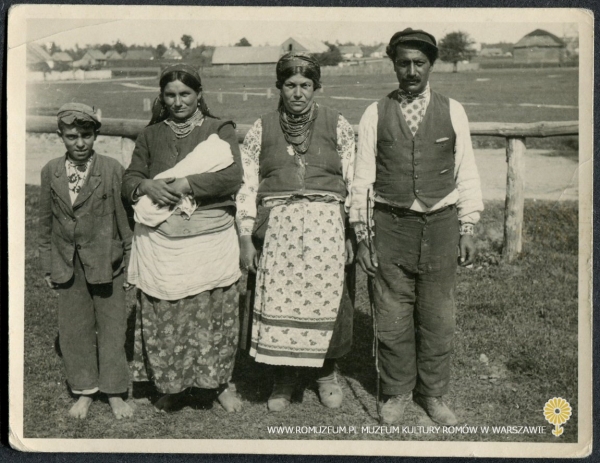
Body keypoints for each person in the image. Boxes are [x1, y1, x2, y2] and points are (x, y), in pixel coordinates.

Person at [350, 29, 484, 425]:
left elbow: (468, 173)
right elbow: (361, 182)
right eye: (403, 63)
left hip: (441, 225)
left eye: (419, 63)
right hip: (390, 226)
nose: (411, 71)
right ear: (393, 64)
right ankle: (395, 392)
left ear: (431, 65)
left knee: (438, 317)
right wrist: (362, 236)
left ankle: (434, 393)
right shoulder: (374, 113)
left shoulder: (453, 109)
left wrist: (469, 227)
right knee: (391, 315)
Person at [236, 52, 356, 412]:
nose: (298, 93)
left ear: (316, 87)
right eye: (290, 85)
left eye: (306, 85)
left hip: (328, 228)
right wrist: (245, 236)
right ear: (279, 87)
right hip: (278, 228)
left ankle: (325, 373)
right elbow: (246, 185)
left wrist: (353, 232)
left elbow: (356, 180)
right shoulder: (261, 128)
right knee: (279, 298)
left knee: (331, 302)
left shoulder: (338, 124)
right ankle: (285, 376)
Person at [122, 64, 243, 413]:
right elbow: (130, 177)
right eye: (170, 95)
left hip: (209, 238)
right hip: (164, 243)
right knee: (169, 312)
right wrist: (145, 185)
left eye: (185, 94)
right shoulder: (151, 135)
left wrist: (186, 184)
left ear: (199, 94)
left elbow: (233, 177)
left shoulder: (219, 129)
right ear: (162, 97)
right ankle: (172, 385)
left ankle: (218, 384)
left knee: (212, 310)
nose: (177, 101)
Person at [39, 103, 133, 420]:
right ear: (60, 136)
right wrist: (49, 263)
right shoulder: (50, 171)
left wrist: (131, 261)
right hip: (68, 263)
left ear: (96, 135)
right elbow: (45, 224)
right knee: (75, 331)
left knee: (112, 328)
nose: (80, 143)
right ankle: (85, 391)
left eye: (86, 135)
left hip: (109, 262)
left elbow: (125, 222)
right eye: (72, 136)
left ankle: (115, 392)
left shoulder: (111, 169)